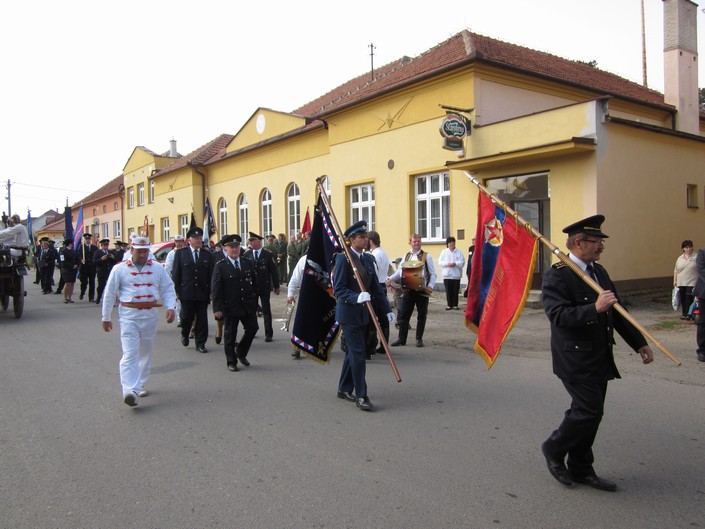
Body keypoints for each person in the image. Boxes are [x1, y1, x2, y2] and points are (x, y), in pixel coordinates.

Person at [540, 214, 654, 492]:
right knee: (587, 410)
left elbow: (618, 312)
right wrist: (594, 308)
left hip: (599, 354)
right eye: (597, 242)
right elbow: (558, 315)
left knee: (593, 412)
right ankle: (553, 449)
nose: (602, 246)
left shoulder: (599, 272)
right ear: (578, 243)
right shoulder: (559, 274)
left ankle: (581, 467)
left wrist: (639, 342)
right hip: (574, 356)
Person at [101, 236, 177, 407]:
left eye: (145, 251)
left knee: (145, 353)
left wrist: (171, 307)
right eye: (139, 251)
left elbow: (167, 288)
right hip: (129, 316)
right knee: (129, 354)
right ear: (131, 250)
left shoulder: (157, 268)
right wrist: (105, 317)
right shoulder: (119, 269)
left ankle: (140, 384)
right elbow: (109, 293)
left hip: (150, 316)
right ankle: (129, 390)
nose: (143, 254)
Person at [333, 221, 394, 411]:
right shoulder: (343, 259)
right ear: (352, 240)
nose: (366, 240)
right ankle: (361, 394)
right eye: (362, 237)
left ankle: (343, 388)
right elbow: (339, 288)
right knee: (359, 353)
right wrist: (356, 296)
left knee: (353, 352)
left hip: (365, 314)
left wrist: (387, 310)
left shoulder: (368, 259)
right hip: (349, 313)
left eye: (366, 237)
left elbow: (376, 287)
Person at [211, 234, 259, 371]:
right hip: (230, 306)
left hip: (247, 305)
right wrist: (217, 308)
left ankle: (241, 352)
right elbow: (216, 289)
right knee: (230, 335)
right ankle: (231, 361)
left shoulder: (247, 262)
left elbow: (254, 284)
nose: (234, 249)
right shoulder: (220, 266)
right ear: (225, 249)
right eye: (231, 247)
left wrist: (255, 302)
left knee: (253, 328)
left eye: (237, 246)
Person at [388, 234, 437, 348]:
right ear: (410, 242)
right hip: (408, 290)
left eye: (418, 241)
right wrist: (390, 279)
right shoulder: (406, 256)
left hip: (422, 290)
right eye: (414, 241)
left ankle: (419, 339)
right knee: (404, 314)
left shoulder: (426, 256)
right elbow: (400, 272)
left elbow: (433, 274)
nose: (416, 243)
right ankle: (402, 338)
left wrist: (430, 286)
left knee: (422, 315)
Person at [171, 227, 214, 353]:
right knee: (186, 317)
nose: (199, 240)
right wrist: (177, 290)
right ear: (189, 240)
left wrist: (211, 291)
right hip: (186, 292)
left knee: (202, 319)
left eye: (200, 238)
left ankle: (200, 343)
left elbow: (211, 275)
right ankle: (185, 333)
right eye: (196, 238)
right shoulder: (181, 254)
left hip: (202, 292)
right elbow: (176, 273)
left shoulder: (207, 255)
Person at [242, 232, 280, 342]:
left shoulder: (267, 254)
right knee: (251, 310)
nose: (250, 243)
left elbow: (273, 271)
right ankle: (252, 330)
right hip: (251, 288)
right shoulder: (247, 255)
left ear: (258, 242)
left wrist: (276, 286)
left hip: (264, 286)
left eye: (252, 241)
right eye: (250, 241)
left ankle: (269, 334)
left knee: (266, 310)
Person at [367, 230, 392, 356]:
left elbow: (374, 273)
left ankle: (371, 346)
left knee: (373, 318)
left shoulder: (374, 255)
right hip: (382, 286)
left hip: (376, 287)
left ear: (370, 241)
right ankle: (384, 345)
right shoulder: (383, 253)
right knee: (383, 318)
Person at [438, 236, 465, 310]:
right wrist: (447, 264)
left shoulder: (459, 252)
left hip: (456, 275)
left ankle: (455, 304)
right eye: (449, 243)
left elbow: (462, 262)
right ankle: (449, 304)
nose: (451, 244)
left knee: (455, 290)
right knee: (448, 291)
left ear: (454, 243)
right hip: (447, 275)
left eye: (452, 243)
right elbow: (440, 262)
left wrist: (455, 263)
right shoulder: (444, 252)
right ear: (447, 244)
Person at [673, 239, 697, 320]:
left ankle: (689, 314)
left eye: (690, 247)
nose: (688, 249)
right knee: (683, 298)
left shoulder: (696, 256)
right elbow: (676, 270)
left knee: (689, 298)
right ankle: (684, 313)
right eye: (686, 247)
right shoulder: (680, 258)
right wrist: (675, 280)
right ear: (683, 248)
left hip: (692, 281)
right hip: (681, 281)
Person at [93, 238, 117, 304]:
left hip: (109, 272)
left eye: (107, 245)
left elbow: (116, 261)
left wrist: (113, 258)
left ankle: (110, 300)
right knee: (101, 286)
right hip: (102, 272)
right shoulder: (97, 252)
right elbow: (94, 262)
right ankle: (99, 297)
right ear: (102, 246)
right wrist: (101, 259)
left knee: (110, 286)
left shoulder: (111, 252)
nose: (106, 247)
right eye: (104, 245)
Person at [76, 233, 98, 301]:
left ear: (90, 240)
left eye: (89, 239)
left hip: (92, 268)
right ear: (84, 240)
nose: (88, 240)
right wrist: (81, 260)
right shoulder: (81, 247)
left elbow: (96, 255)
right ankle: (82, 293)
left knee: (92, 283)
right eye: (86, 239)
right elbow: (78, 255)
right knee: (84, 282)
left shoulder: (94, 247)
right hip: (84, 268)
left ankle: (91, 297)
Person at [692, 246, 705, 362]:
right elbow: (701, 270)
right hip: (704, 293)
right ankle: (702, 350)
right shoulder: (702, 252)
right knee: (703, 322)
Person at [58, 238, 78, 303]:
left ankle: (70, 297)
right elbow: (62, 261)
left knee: (72, 283)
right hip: (66, 269)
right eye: (72, 243)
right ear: (70, 244)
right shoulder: (63, 251)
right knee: (68, 283)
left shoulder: (73, 251)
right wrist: (71, 266)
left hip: (73, 270)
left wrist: (77, 264)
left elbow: (77, 258)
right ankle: (65, 298)